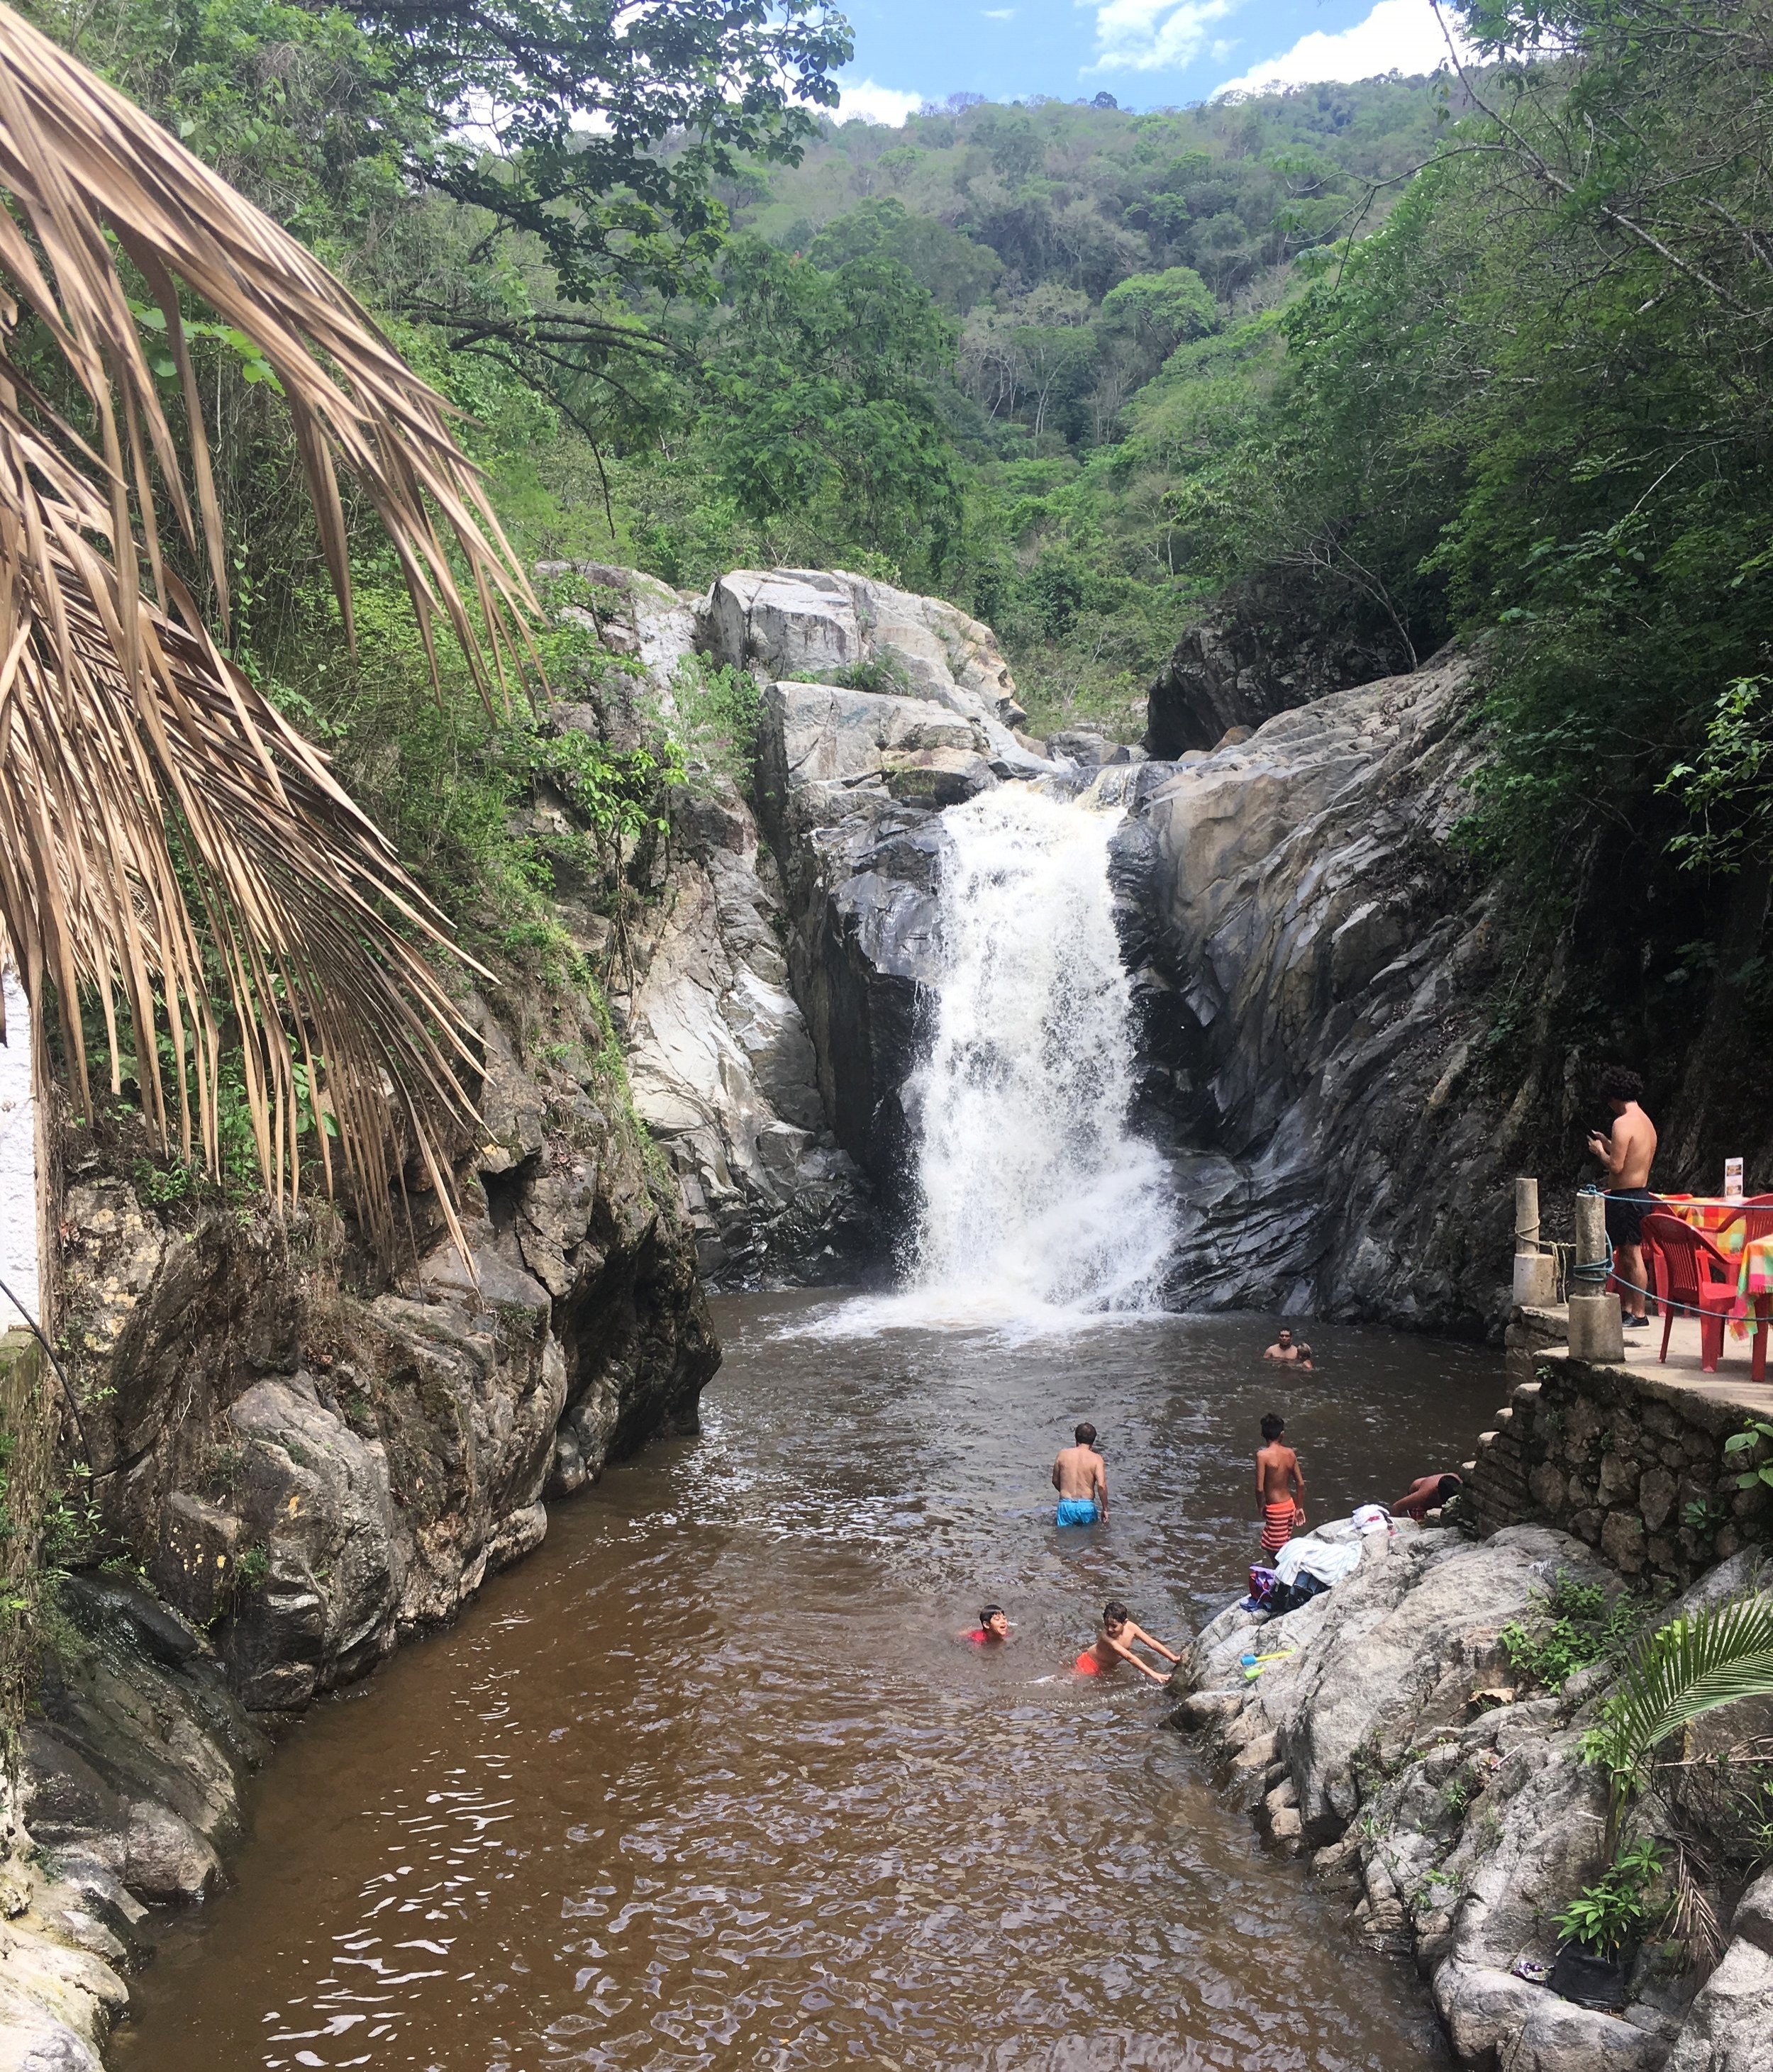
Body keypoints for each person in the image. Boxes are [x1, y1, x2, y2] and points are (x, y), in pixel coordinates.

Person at [1587, 1065, 1660, 1329]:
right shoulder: (1646, 1122)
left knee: (1632, 1254)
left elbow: (1616, 1166)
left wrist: (1599, 1151)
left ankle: (1639, 1314)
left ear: (1614, 1097)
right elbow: (1631, 1155)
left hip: (1627, 1197)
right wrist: (1607, 1141)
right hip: (1639, 1194)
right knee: (1628, 1255)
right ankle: (1629, 1308)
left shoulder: (1622, 1122)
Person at [1074, 1600, 1178, 1682]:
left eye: (1114, 1626)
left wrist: (1173, 1658)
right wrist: (1154, 1674)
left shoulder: (1132, 1628)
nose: (1110, 1629)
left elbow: (1152, 1643)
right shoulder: (1106, 1637)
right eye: (1107, 1625)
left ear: (1124, 1623)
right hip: (1088, 1664)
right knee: (1074, 1682)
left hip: (1106, 1668)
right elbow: (1129, 1657)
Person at [1256, 1413, 1307, 1558]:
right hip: (1289, 1506)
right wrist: (1299, 1506)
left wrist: (1260, 1507)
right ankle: (1283, 1575)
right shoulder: (1290, 1454)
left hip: (1275, 1509)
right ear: (1282, 1434)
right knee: (1282, 1546)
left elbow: (1259, 1488)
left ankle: (1282, 1578)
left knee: (1275, 1551)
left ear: (1262, 1433)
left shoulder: (1262, 1456)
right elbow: (1301, 1483)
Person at [1052, 1422, 1108, 1527]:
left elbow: (1055, 1480)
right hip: (1086, 1506)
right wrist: (1105, 1509)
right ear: (1093, 1441)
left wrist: (1066, 1490)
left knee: (1064, 1539)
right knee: (1089, 1539)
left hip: (1066, 1505)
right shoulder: (1096, 1459)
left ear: (1076, 1438)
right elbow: (1101, 1486)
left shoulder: (1062, 1454)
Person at [1391, 1473, 1462, 1522]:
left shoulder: (1460, 1485)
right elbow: (1396, 1508)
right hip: (1420, 1502)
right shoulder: (1424, 1495)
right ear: (1436, 1492)